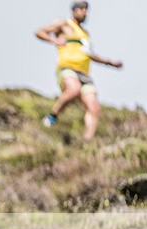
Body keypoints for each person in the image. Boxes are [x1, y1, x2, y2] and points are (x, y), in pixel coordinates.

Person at [35, 1, 123, 141]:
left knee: (94, 108)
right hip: (67, 68)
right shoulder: (64, 24)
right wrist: (53, 40)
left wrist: (109, 63)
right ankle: (52, 116)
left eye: (86, 10)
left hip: (85, 74)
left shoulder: (85, 34)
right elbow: (39, 32)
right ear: (74, 11)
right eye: (81, 9)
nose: (85, 12)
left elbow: (90, 54)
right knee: (74, 89)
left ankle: (87, 141)